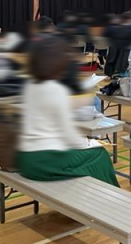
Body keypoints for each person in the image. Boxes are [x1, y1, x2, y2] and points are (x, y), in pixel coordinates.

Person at [17, 35, 118, 186]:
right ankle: (105, 198)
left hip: (26, 157)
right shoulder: (55, 89)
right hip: (45, 160)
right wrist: (89, 142)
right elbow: (69, 135)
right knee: (100, 155)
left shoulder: (31, 85)